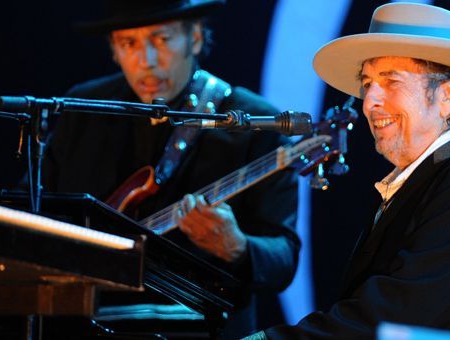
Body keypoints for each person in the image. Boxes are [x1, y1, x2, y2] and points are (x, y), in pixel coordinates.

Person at [248, 3, 450, 339]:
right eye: (367, 83)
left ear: (449, 95)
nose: (370, 101)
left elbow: (402, 309)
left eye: (391, 81)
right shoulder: (415, 181)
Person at [40, 0, 299, 338]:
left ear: (194, 38)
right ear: (114, 50)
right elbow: (38, 212)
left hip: (199, 330)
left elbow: (283, 258)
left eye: (161, 40)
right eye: (128, 44)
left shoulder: (255, 123)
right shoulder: (83, 109)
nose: (145, 61)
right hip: (82, 325)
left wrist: (238, 247)